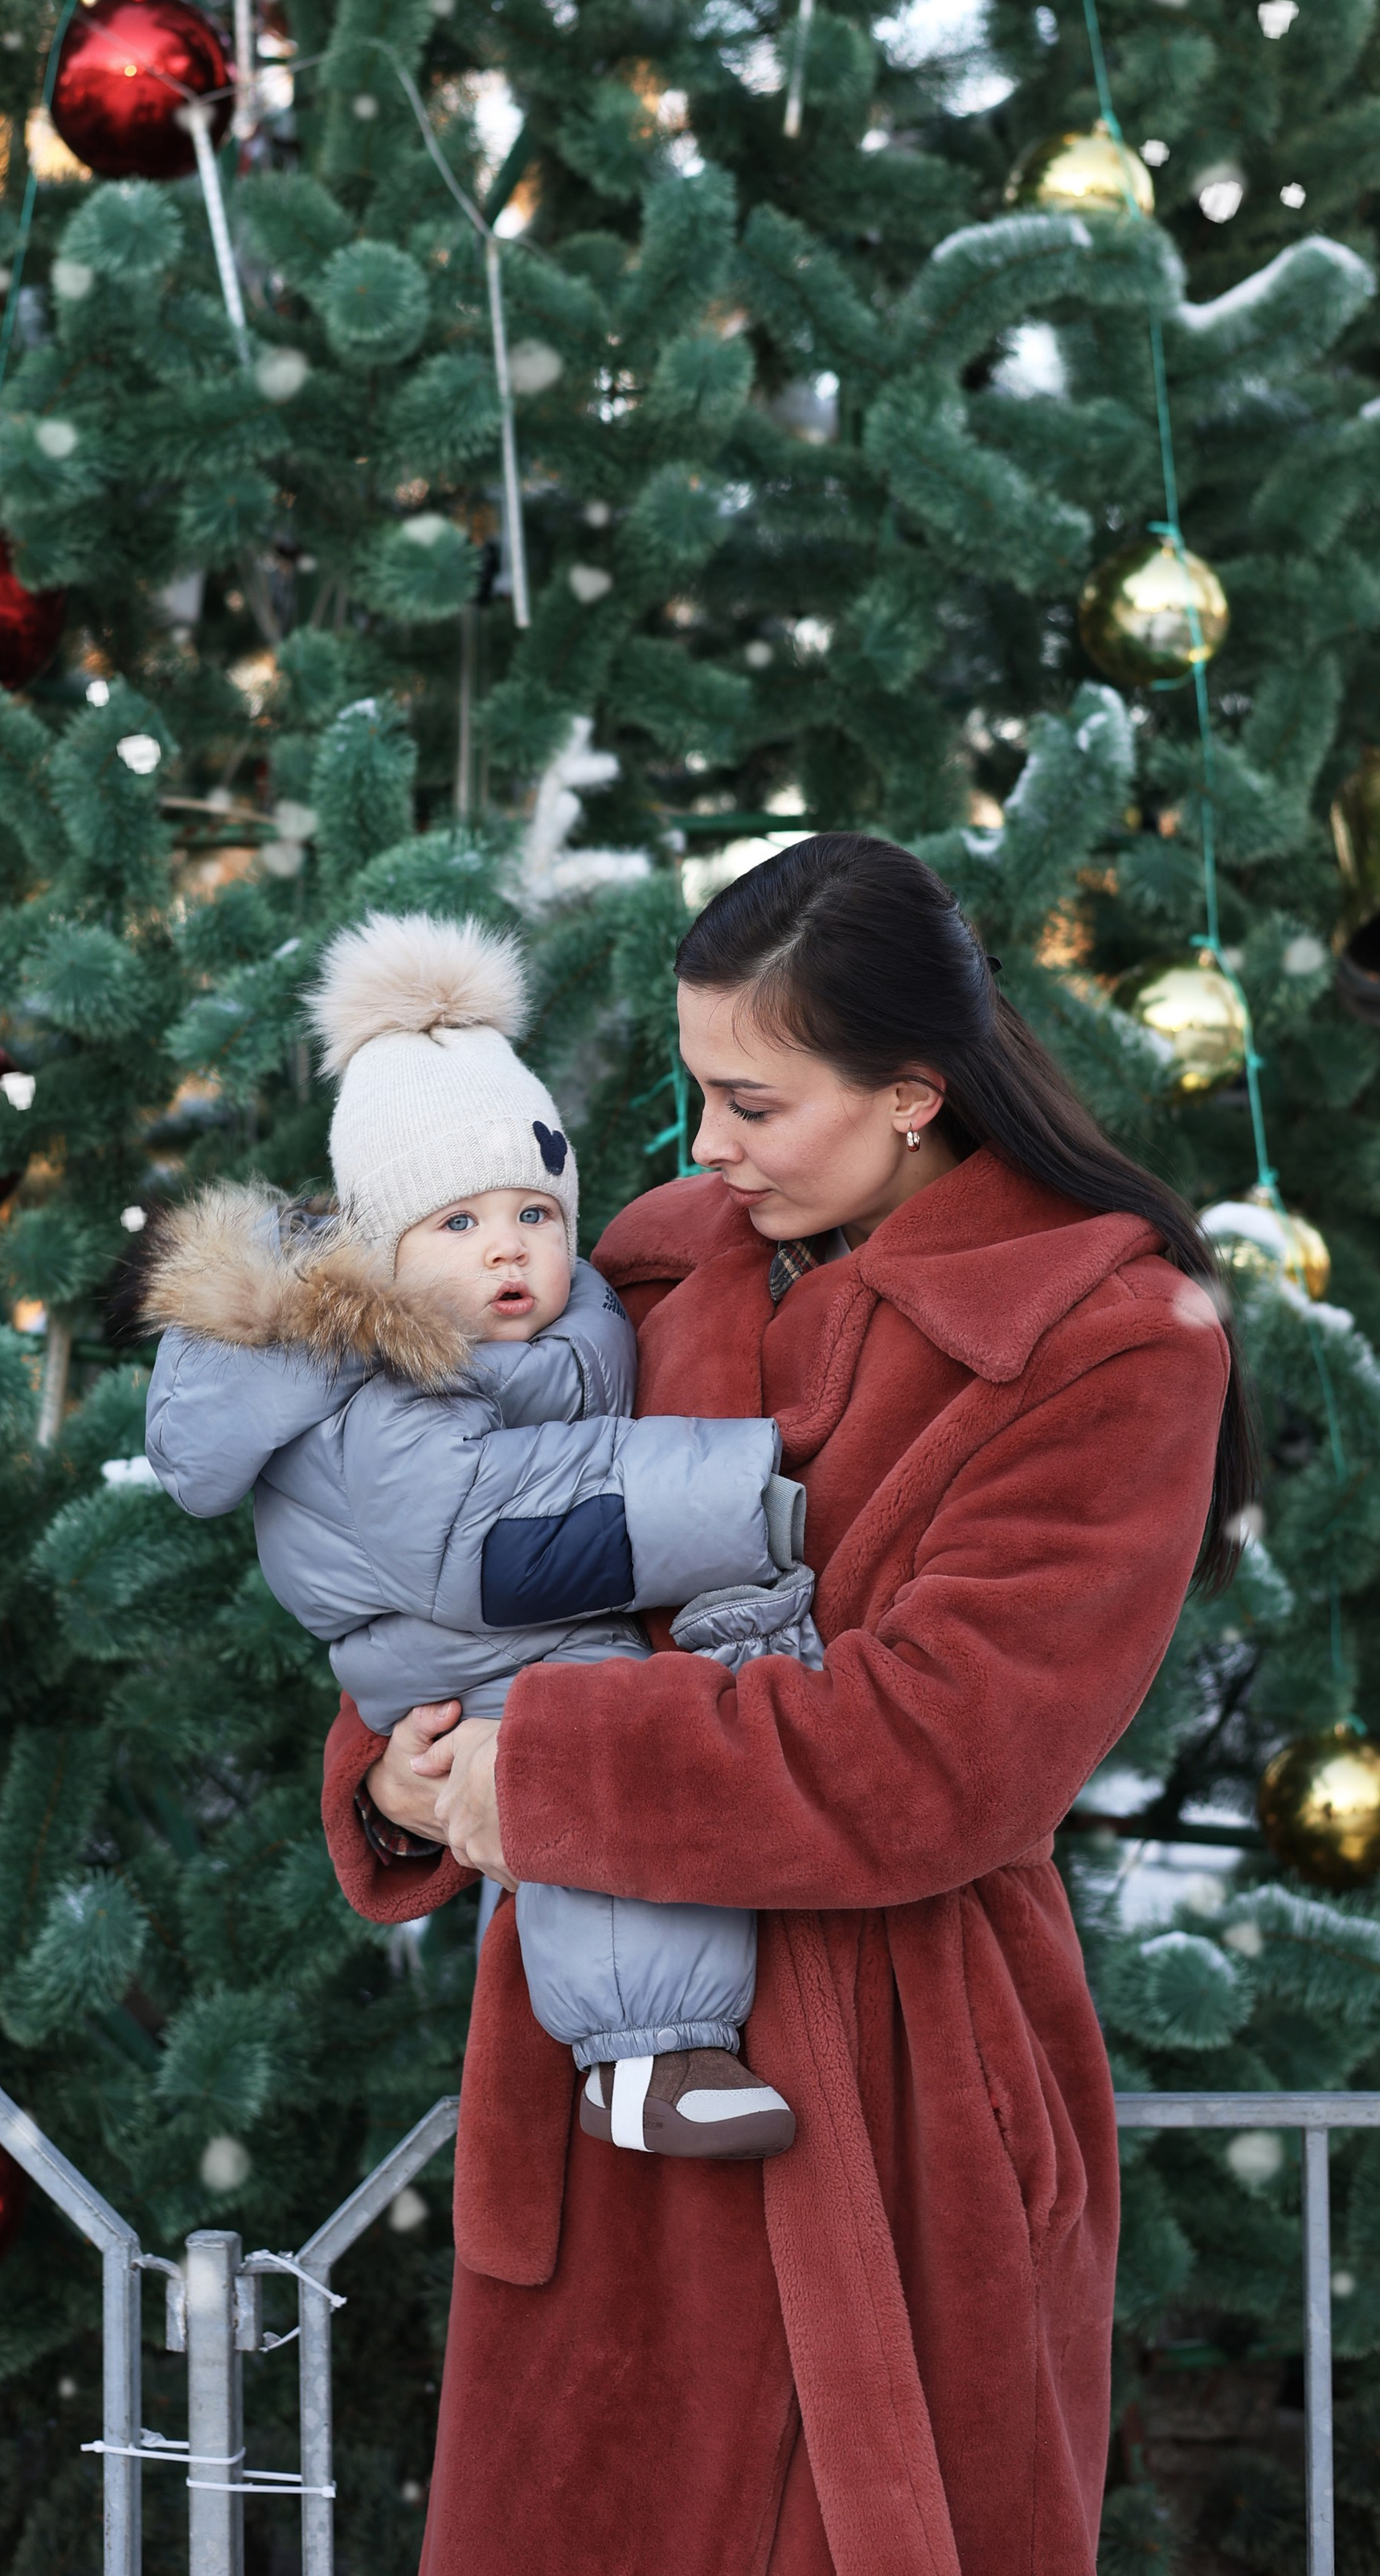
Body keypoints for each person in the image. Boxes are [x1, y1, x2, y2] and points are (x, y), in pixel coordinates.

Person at [321, 834, 1253, 2576]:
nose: (704, 1146)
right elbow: (463, 1567)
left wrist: (544, 1770)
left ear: (910, 1094)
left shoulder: (1108, 1337)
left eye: (751, 1103)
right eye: (695, 1092)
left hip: (900, 2097)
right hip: (600, 2095)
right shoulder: (651, 1269)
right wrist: (404, 1768)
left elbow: (940, 1757)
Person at [143, 911, 818, 2160]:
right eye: (456, 1224)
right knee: (595, 1750)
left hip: (516, 1633)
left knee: (622, 1725)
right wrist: (740, 1500)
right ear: (383, 1255)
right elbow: (474, 1538)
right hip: (478, 1645)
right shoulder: (386, 1378)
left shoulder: (571, 1325)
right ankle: (644, 2057)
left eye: (534, 1213)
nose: (507, 1244)